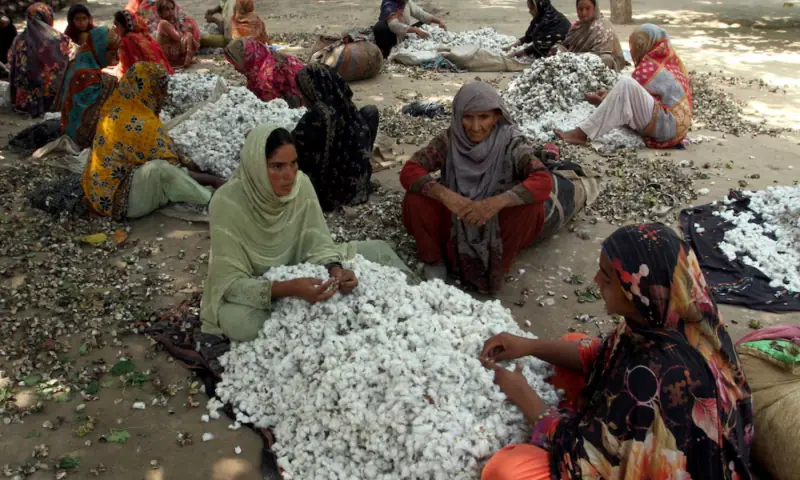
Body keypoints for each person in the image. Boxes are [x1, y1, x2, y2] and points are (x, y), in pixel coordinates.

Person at [479, 223, 754, 480]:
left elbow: (582, 461)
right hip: (644, 412)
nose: (596, 280)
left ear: (636, 292)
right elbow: (604, 354)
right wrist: (530, 346)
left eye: (608, 278)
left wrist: (524, 395)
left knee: (507, 470)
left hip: (671, 464)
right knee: (573, 342)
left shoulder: (653, 373)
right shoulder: (668, 318)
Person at [200, 124, 414, 342]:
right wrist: (287, 288)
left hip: (304, 269)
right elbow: (229, 284)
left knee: (378, 249)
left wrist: (335, 270)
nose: (289, 175)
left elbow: (318, 244)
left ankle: (415, 301)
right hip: (259, 285)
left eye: (293, 163)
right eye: (277, 166)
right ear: (255, 167)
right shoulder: (227, 202)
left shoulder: (301, 185)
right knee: (241, 323)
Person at [400, 82, 597, 294]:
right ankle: (434, 259)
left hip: (497, 220)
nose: (475, 127)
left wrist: (494, 204)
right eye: (468, 117)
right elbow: (410, 170)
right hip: (458, 216)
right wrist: (447, 196)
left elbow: (542, 180)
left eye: (484, 117)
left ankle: (496, 266)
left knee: (530, 207)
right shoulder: (449, 140)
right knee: (415, 198)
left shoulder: (511, 142)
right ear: (457, 116)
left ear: (496, 116)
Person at [82, 62, 222, 220]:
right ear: (149, 91)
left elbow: (161, 147)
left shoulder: (115, 107)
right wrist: (213, 180)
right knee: (160, 170)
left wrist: (187, 160)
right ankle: (212, 199)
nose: (164, 97)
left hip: (98, 193)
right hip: (117, 201)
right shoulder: (141, 124)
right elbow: (173, 170)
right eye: (162, 91)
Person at [556, 24, 692, 149]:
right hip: (676, 129)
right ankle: (583, 131)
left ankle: (582, 134)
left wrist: (604, 100)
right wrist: (609, 96)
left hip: (667, 126)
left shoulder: (650, 68)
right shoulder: (670, 64)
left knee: (626, 83)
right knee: (625, 86)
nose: (633, 51)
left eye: (636, 46)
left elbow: (629, 100)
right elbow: (638, 101)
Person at [293, 64, 378, 211]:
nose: (302, 97)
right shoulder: (345, 106)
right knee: (370, 111)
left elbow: (294, 152)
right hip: (358, 186)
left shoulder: (316, 117)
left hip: (332, 195)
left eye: (302, 92)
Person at [59, 26, 120, 148]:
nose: (115, 59)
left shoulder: (79, 63)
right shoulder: (86, 75)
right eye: (112, 54)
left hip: (70, 127)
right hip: (81, 135)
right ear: (100, 51)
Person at [7, 3, 71, 117]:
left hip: (25, 97)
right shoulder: (57, 39)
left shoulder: (19, 40)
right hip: (51, 96)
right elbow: (70, 57)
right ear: (48, 18)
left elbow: (11, 61)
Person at [224, 38, 303, 107]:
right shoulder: (262, 55)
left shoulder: (264, 76)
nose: (235, 68)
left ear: (246, 60)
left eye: (236, 64)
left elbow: (270, 106)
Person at [552, 0, 625, 72]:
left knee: (606, 59)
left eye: (588, 8)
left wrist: (576, 58)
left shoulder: (604, 26)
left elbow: (599, 55)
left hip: (593, 63)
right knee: (556, 49)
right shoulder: (577, 26)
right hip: (574, 60)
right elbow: (566, 46)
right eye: (580, 9)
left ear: (594, 8)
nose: (583, 13)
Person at [372, 0, 447, 59]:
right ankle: (386, 52)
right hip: (391, 35)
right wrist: (415, 30)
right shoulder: (389, 4)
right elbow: (394, 26)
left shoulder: (406, 3)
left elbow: (421, 14)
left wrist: (439, 21)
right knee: (380, 28)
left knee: (423, 23)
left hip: (404, 33)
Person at [113, 10, 175, 76]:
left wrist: (116, 71)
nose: (114, 29)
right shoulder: (146, 36)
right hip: (164, 76)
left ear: (121, 26)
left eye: (116, 24)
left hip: (147, 79)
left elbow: (125, 69)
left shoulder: (125, 41)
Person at [155, 0, 199, 68]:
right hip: (168, 56)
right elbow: (177, 37)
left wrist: (181, 27)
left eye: (172, 9)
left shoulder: (171, 22)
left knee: (188, 33)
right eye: (167, 9)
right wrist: (181, 29)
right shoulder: (163, 23)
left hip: (172, 52)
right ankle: (185, 60)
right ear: (160, 13)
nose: (171, 11)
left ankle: (185, 59)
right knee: (188, 36)